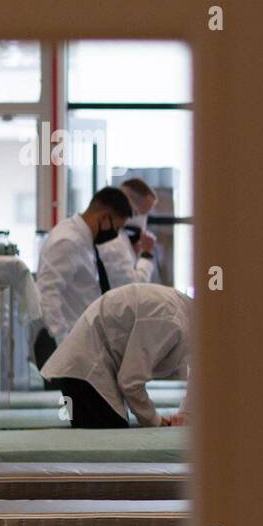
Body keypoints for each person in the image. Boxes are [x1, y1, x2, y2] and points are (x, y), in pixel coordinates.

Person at [41, 283, 192, 429]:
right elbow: (130, 381)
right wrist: (155, 420)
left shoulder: (187, 314)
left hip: (82, 369)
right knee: (109, 445)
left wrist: (185, 414)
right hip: (87, 372)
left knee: (108, 435)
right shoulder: (172, 320)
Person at [33, 187, 134, 376]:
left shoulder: (83, 239)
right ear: (104, 217)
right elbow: (47, 293)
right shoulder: (68, 241)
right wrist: (64, 347)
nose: (116, 234)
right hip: (68, 348)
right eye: (117, 227)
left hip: (81, 345)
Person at [98, 177, 160, 287]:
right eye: (141, 212)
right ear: (128, 202)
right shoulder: (113, 241)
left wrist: (134, 254)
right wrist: (147, 254)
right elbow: (134, 287)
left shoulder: (121, 237)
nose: (143, 219)